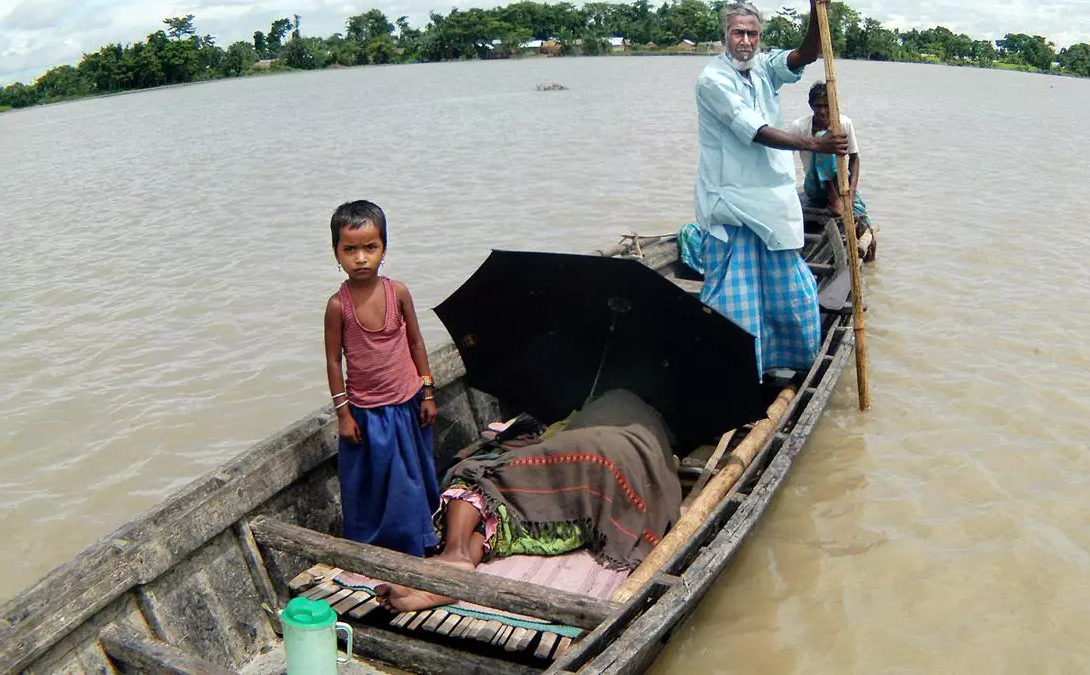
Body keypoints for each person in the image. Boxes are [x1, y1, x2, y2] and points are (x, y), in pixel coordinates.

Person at [375, 389, 682, 612]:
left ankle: (455, 552)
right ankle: (463, 560)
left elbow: (555, 435)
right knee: (529, 514)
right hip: (617, 471)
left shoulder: (607, 400)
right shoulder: (656, 438)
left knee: (482, 476)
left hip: (589, 448)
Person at [694, 1, 848, 378]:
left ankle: (785, 366)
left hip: (771, 201)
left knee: (792, 294)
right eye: (738, 33)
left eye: (752, 34)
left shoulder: (763, 68)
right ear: (724, 37)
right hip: (731, 202)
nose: (745, 41)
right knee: (735, 303)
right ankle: (735, 373)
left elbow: (805, 54)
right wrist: (816, 145)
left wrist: (816, 10)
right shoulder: (713, 80)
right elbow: (757, 132)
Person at [324, 199, 440, 557]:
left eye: (370, 248)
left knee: (412, 477)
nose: (361, 258)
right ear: (336, 253)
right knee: (373, 484)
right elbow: (332, 360)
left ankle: (421, 537)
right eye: (351, 249)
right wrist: (343, 414)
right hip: (367, 412)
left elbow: (416, 342)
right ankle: (377, 546)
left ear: (384, 249)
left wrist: (428, 391)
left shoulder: (398, 292)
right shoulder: (337, 305)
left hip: (407, 402)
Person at [789, 81, 878, 261]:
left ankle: (838, 199)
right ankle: (834, 199)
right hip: (815, 185)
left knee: (861, 217)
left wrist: (850, 195)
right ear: (810, 106)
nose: (822, 111)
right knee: (823, 138)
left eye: (826, 106)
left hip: (840, 185)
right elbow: (782, 156)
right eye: (817, 106)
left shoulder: (844, 123)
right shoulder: (799, 126)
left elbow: (854, 158)